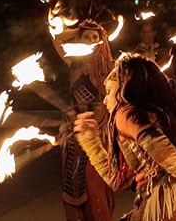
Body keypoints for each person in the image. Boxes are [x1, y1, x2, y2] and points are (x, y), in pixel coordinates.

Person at [74, 53, 176, 221]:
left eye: (108, 91)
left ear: (124, 89)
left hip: (172, 205)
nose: (106, 100)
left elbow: (157, 145)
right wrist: (89, 139)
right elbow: (117, 180)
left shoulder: (125, 113)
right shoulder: (166, 111)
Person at [52, 19, 115, 221]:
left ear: (101, 41)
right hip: (73, 131)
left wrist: (93, 125)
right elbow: (57, 38)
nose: (89, 41)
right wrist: (77, 31)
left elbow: (108, 102)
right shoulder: (74, 61)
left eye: (94, 37)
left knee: (95, 180)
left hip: (98, 131)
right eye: (86, 37)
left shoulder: (108, 67)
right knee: (74, 183)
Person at [133, 21, 176, 86]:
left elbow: (169, 74)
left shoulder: (162, 52)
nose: (146, 35)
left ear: (154, 33)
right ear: (140, 34)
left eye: (149, 32)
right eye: (144, 32)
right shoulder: (135, 53)